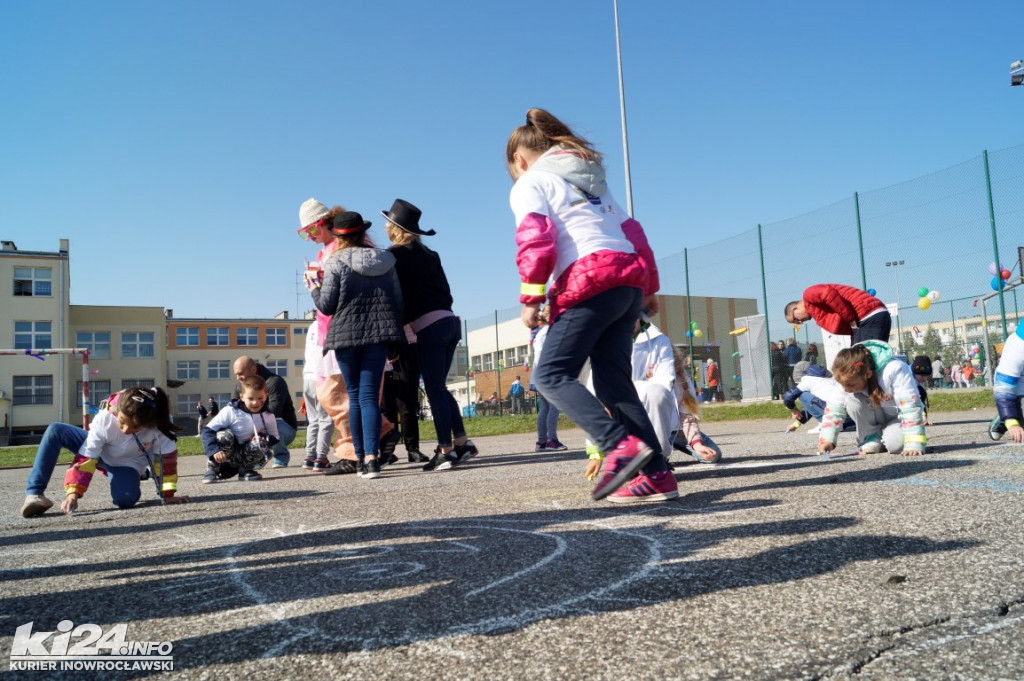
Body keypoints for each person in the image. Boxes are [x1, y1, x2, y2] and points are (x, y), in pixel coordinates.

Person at [506, 107, 673, 503]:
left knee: (550, 376)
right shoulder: (595, 184)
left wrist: (530, 297)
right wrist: (648, 287)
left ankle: (618, 446)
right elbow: (635, 232)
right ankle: (658, 475)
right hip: (627, 284)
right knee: (615, 384)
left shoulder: (531, 182)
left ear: (519, 159)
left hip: (590, 279)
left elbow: (536, 240)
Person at [383, 198, 478, 471]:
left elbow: (396, 297)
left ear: (394, 227)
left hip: (430, 328)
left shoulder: (394, 256)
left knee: (434, 389)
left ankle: (445, 450)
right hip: (450, 322)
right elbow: (446, 291)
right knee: (439, 387)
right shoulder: (430, 255)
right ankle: (462, 442)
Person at [309, 210, 405, 480]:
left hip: (345, 337)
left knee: (353, 396)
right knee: (369, 397)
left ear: (339, 236)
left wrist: (313, 288)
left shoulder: (336, 261)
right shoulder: (387, 259)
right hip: (378, 336)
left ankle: (361, 458)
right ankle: (373, 460)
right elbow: (398, 303)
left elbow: (327, 305)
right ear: (363, 233)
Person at [22, 387, 187, 517]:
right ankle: (35, 493)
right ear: (117, 411)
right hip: (98, 452)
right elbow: (87, 456)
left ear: (151, 422)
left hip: (127, 464)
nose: (125, 430)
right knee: (56, 430)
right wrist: (73, 494)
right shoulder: (105, 417)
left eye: (135, 427)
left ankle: (122, 475)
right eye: (122, 421)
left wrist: (167, 494)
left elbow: (166, 461)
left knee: (125, 500)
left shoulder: (161, 424)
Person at [817, 341, 926, 456]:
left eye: (850, 385)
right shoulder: (846, 377)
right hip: (874, 416)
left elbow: (910, 405)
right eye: (842, 384)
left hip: (896, 418)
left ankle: (889, 437)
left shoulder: (894, 369)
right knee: (852, 400)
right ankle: (870, 438)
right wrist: (827, 440)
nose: (845, 389)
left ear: (868, 374)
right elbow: (834, 410)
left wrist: (914, 441)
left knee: (896, 445)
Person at [201, 375, 279, 483]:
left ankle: (246, 471)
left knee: (261, 443)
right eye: (250, 398)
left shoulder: (268, 415)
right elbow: (207, 431)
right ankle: (212, 469)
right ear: (242, 397)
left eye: (260, 398)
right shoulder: (231, 411)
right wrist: (214, 450)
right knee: (224, 436)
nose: (255, 403)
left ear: (266, 396)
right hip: (224, 455)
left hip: (245, 454)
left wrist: (263, 437)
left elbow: (275, 437)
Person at [233, 356, 297, 468]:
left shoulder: (274, 382)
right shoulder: (241, 387)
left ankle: (281, 456)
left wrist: (254, 425)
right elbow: (236, 410)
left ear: (253, 369)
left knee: (270, 421)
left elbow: (274, 410)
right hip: (257, 426)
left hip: (284, 428)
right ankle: (258, 455)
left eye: (241, 373)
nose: (238, 378)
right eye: (236, 375)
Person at [785, 284, 891, 344]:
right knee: (869, 362)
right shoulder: (818, 313)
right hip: (873, 316)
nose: (799, 322)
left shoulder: (808, 295)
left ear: (795, 308)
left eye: (795, 320)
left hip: (867, 316)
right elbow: (852, 329)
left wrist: (850, 319)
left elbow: (827, 293)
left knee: (862, 365)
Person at [670, 347, 722, 464]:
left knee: (714, 455)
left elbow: (687, 418)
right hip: (653, 435)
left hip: (676, 432)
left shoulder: (683, 382)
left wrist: (697, 445)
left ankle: (677, 442)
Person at [380, 343, 429, 463]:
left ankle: (412, 449)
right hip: (381, 349)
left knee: (407, 406)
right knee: (385, 406)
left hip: (406, 347)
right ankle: (387, 451)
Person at [782, 361, 853, 435]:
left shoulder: (807, 380)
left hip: (834, 414)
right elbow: (812, 407)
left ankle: (825, 424)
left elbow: (788, 397)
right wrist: (796, 424)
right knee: (809, 397)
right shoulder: (829, 378)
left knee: (802, 395)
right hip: (848, 415)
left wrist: (794, 410)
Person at [300, 321, 334, 472]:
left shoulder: (313, 325)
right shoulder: (330, 322)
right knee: (325, 419)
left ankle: (310, 456)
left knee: (313, 420)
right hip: (323, 375)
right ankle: (321, 458)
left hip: (308, 376)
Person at [987, 325, 1024, 442]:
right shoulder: (1018, 345)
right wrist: (1011, 420)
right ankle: (1006, 417)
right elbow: (1004, 387)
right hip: (1018, 382)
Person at [910, 355, 933, 425]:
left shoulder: (918, 376)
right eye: (922, 376)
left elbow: (922, 398)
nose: (924, 378)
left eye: (926, 376)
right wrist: (923, 417)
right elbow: (916, 399)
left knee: (922, 393)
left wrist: (924, 417)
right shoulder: (908, 377)